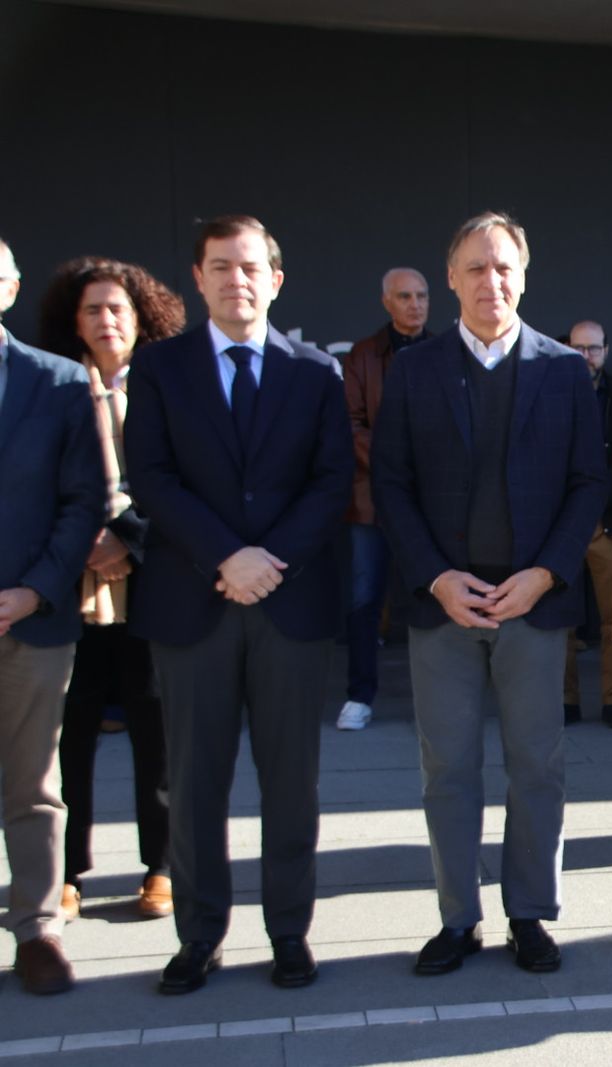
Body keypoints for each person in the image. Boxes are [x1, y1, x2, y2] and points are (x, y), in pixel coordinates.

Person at [371, 211, 605, 977]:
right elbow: (392, 483)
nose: (490, 280)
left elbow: (586, 484)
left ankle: (531, 912)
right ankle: (458, 916)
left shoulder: (565, 370)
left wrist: (545, 573)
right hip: (444, 606)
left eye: (503, 266)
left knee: (538, 763)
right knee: (449, 767)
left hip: (533, 604)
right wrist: (436, 576)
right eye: (475, 267)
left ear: (524, 274)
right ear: (451, 278)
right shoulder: (416, 370)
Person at [125, 215, 353, 994]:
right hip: (195, 601)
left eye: (250, 265)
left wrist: (268, 559)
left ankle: (289, 931)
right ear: (198, 277)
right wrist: (227, 556)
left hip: (289, 604)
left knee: (292, 784)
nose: (236, 279)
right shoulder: (159, 370)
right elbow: (151, 477)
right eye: (220, 266)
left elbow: (330, 483)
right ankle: (199, 935)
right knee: (194, 782)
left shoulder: (318, 372)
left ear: (276, 278)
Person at [36, 258, 185, 922]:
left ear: (141, 317)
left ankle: (160, 866)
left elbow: (183, 480)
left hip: (152, 585)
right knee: (70, 734)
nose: (105, 321)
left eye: (117, 309)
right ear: (75, 321)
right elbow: (38, 485)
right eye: (93, 310)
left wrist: (126, 537)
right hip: (71, 584)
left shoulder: (168, 387)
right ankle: (67, 870)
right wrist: (87, 540)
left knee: (156, 730)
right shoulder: (55, 389)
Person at [0, 243, 105, 995]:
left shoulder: (59, 382)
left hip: (31, 616)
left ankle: (36, 926)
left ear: (7, 288)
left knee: (33, 781)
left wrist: (32, 590)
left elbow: (84, 502)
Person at [339, 267, 432, 731]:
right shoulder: (362, 355)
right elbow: (350, 424)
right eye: (404, 296)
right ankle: (359, 696)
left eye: (421, 296)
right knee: (363, 598)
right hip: (370, 498)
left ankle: (435, 700)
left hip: (431, 503)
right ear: (386, 303)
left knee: (432, 596)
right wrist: (397, 467)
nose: (415, 304)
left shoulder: (445, 351)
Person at [563, 319, 612, 729]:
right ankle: (566, 699)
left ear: (606, 350)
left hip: (608, 522)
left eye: (592, 349)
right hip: (565, 526)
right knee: (562, 621)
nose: (585, 356)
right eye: (577, 348)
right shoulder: (551, 394)